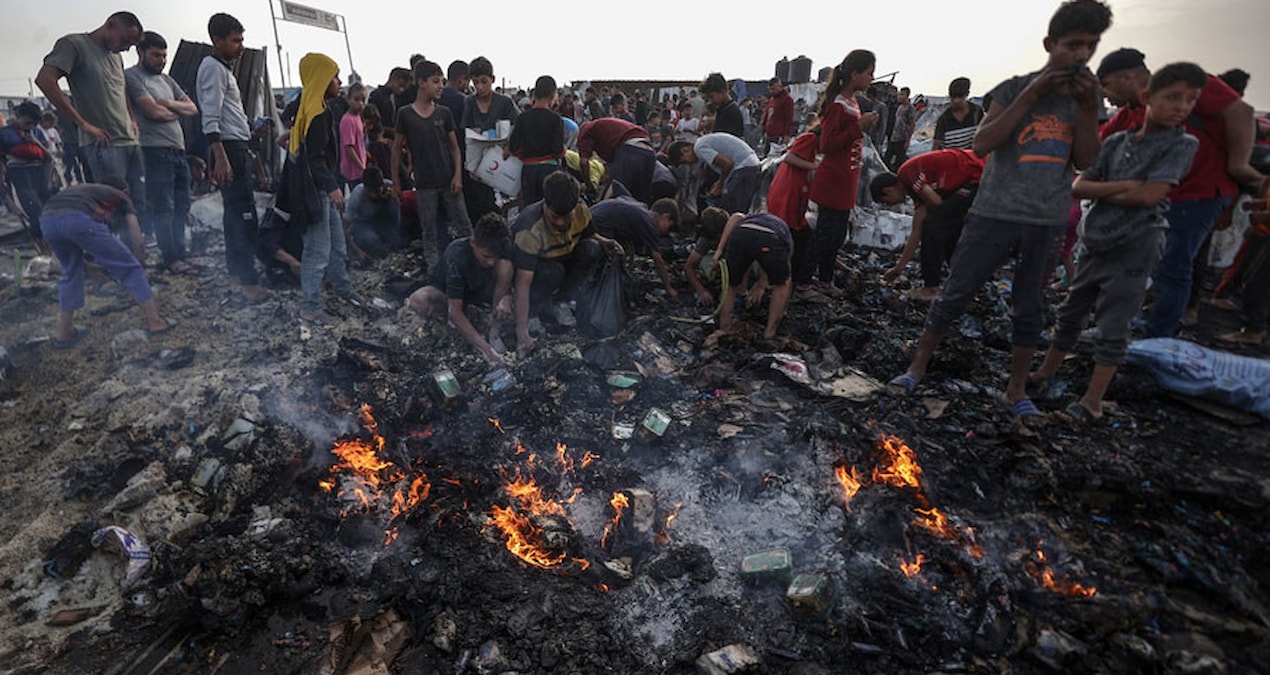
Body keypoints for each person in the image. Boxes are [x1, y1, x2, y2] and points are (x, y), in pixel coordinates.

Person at [887, 0, 1112, 425]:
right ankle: (917, 367)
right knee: (956, 291)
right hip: (993, 213)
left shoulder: (1088, 97)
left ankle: (1015, 389)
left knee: (1030, 305)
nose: (1081, 55)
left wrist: (1084, 110)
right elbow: (983, 143)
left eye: (1090, 46)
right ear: (1050, 44)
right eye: (1073, 45)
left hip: (1045, 219)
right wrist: (1034, 93)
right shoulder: (1013, 89)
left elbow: (1085, 158)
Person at [1028, 63, 1204, 423]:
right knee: (1072, 311)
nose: (1182, 106)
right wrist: (1125, 187)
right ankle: (1044, 374)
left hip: (1136, 244)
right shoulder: (1118, 142)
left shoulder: (1183, 144)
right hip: (1097, 240)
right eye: (1173, 97)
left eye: (1190, 100)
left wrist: (1113, 191)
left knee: (1114, 324)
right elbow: (1079, 186)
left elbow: (1150, 196)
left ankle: (1093, 399)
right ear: (1147, 98)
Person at [1097, 48, 1268, 338]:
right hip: (1165, 200)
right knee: (1154, 264)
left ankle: (1160, 334)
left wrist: (1238, 163)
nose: (1106, 98)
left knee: (1174, 266)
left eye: (1107, 88)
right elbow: (1096, 152)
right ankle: (1151, 320)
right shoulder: (1129, 114)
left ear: (1126, 77)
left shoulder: (1182, 84)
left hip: (1200, 192)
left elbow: (1241, 111)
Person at [35, 12, 146, 227]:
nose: (126, 48)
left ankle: (136, 251)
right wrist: (83, 124)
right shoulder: (74, 45)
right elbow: (45, 79)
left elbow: (121, 90)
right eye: (125, 41)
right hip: (104, 144)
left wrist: (132, 120)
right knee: (111, 208)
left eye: (131, 45)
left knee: (138, 203)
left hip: (129, 141)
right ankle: (111, 255)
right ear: (110, 25)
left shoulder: (116, 56)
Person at [40, 176, 176, 349]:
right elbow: (137, 240)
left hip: (47, 221)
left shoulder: (83, 192)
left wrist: (89, 267)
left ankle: (64, 334)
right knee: (131, 268)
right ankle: (155, 322)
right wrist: (139, 261)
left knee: (70, 273)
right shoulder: (121, 195)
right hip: (77, 219)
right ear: (124, 191)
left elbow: (66, 229)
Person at [510, 171, 622, 355]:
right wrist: (521, 331)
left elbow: (589, 234)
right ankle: (533, 313)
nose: (561, 222)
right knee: (553, 271)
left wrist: (604, 241)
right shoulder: (529, 229)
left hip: (566, 258)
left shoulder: (580, 209)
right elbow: (522, 283)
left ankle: (560, 302)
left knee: (592, 249)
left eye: (566, 216)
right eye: (555, 217)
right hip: (541, 270)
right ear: (545, 203)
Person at [196, 13, 266, 302]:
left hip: (235, 145)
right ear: (217, 40)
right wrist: (221, 156)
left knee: (234, 214)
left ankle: (237, 273)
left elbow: (227, 114)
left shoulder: (223, 69)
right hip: (228, 149)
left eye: (242, 40)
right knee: (243, 214)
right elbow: (210, 116)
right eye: (235, 40)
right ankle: (248, 282)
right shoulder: (213, 68)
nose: (240, 46)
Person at [291, 53, 360, 324]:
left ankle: (342, 288)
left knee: (337, 245)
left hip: (321, 190)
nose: (340, 82)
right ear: (322, 79)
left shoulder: (317, 107)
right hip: (317, 192)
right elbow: (315, 158)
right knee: (317, 250)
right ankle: (310, 307)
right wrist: (332, 188)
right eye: (334, 76)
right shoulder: (317, 113)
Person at [125, 31, 197, 274]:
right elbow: (151, 113)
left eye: (164, 56)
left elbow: (192, 108)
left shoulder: (167, 81)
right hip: (154, 152)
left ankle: (180, 254)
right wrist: (174, 111)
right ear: (141, 52)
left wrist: (167, 104)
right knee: (163, 207)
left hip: (178, 152)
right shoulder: (133, 77)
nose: (161, 60)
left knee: (182, 205)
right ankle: (170, 258)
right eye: (156, 55)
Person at [872, 149, 986, 300]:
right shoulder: (916, 192)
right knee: (950, 235)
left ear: (888, 191)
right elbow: (916, 231)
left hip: (977, 174)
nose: (890, 205)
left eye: (886, 202)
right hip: (971, 179)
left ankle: (931, 288)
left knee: (933, 227)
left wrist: (930, 213)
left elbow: (935, 202)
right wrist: (899, 268)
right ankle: (966, 282)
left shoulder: (906, 173)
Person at [809, 50, 879, 296]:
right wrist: (858, 127)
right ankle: (818, 281)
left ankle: (824, 273)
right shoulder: (839, 104)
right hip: (834, 181)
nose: (872, 77)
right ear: (854, 74)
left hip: (845, 179)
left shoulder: (851, 102)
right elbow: (827, 145)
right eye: (869, 72)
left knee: (836, 234)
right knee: (828, 234)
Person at [407, 213, 515, 364]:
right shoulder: (457, 255)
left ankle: (494, 333)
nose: (491, 262)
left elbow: (513, 285)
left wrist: (506, 298)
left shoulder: (503, 248)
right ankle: (452, 326)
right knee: (419, 300)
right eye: (486, 256)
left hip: (479, 293)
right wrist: (486, 350)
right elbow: (455, 312)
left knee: (505, 267)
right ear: (473, 243)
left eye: (495, 257)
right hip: (448, 296)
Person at [394, 60, 472, 267]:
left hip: (448, 181)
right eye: (435, 81)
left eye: (442, 81)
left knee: (464, 227)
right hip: (424, 185)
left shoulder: (443, 113)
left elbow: (455, 147)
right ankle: (434, 273)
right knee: (429, 232)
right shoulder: (405, 114)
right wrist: (396, 182)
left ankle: (471, 266)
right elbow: (396, 149)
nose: (440, 86)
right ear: (421, 83)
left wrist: (457, 176)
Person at [691, 206, 794, 338]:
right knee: (783, 284)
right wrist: (762, 287)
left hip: (741, 234)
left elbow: (736, 217)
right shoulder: (785, 237)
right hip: (771, 238)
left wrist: (719, 251)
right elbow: (775, 269)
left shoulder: (751, 217)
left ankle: (724, 329)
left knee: (730, 285)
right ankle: (769, 333)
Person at [766, 124, 821, 299]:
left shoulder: (812, 143)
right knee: (791, 234)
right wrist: (814, 166)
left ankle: (789, 278)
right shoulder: (810, 138)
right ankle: (787, 279)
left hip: (795, 193)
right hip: (788, 192)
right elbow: (789, 158)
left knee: (797, 235)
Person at [462, 56, 519, 222]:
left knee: (505, 206)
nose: (480, 87)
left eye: (483, 81)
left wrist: (509, 147)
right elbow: (469, 137)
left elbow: (518, 127)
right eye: (475, 82)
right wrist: (472, 166)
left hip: (504, 160)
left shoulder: (505, 102)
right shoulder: (469, 103)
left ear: (492, 80)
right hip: (480, 165)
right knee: (481, 209)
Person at [589, 195, 680, 298]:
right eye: (669, 227)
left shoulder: (642, 208)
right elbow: (658, 261)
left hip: (592, 215)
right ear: (666, 216)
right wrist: (669, 288)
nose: (667, 232)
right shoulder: (650, 224)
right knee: (605, 264)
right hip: (598, 224)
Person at [667, 132, 762, 215]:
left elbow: (727, 164)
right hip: (749, 163)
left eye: (684, 162)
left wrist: (719, 185)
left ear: (685, 150)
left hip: (744, 166)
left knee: (733, 209)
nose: (689, 164)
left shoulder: (699, 148)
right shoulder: (702, 142)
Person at [2, 102, 53, 248]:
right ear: (18, 116)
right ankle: (43, 247)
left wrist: (48, 181)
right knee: (35, 212)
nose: (30, 127)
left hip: (40, 173)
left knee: (49, 211)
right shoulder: (5, 134)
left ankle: (51, 244)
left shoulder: (37, 133)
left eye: (34, 124)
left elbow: (48, 157)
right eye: (27, 122)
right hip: (21, 175)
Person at [509, 75, 566, 206]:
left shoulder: (523, 118)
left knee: (530, 210)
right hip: (550, 171)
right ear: (553, 95)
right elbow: (558, 151)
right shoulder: (556, 119)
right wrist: (563, 150)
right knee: (550, 208)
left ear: (535, 94)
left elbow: (514, 147)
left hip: (529, 170)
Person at [576, 117, 656, 204]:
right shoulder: (605, 128)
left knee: (610, 198)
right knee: (640, 201)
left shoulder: (586, 131)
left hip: (631, 149)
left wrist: (589, 186)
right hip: (649, 152)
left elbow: (583, 163)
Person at [344, 165, 403, 258]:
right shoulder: (357, 195)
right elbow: (344, 228)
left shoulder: (388, 186)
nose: (376, 195)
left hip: (379, 221)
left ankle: (389, 238)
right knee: (371, 240)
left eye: (378, 191)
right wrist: (358, 251)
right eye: (373, 192)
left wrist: (394, 199)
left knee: (397, 242)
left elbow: (400, 207)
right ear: (366, 188)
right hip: (361, 223)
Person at [932, 77, 984, 151]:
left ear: (967, 94)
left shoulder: (976, 112)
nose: (956, 101)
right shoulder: (944, 119)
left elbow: (984, 136)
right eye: (953, 97)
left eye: (960, 97)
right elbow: (936, 146)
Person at [368, 67, 412, 137]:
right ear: (392, 80)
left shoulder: (397, 98)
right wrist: (390, 130)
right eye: (400, 86)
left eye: (404, 88)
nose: (402, 90)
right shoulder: (376, 95)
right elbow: (372, 122)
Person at [340, 82, 368, 190]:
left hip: (360, 167)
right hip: (353, 170)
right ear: (348, 99)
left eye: (363, 100)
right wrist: (362, 168)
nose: (360, 104)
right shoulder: (348, 120)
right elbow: (349, 148)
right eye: (356, 100)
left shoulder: (358, 118)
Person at [701, 73, 744, 139]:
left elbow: (732, 142)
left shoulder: (732, 112)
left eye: (712, 96)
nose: (710, 101)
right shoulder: (722, 109)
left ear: (723, 92)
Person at [884, 87, 917, 170]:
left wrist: (908, 141)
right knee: (887, 158)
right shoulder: (899, 107)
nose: (899, 97)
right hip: (894, 137)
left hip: (902, 138)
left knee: (899, 161)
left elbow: (912, 124)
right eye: (899, 94)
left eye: (902, 95)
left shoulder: (910, 108)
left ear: (907, 96)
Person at [762, 78, 795, 155]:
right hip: (769, 135)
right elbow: (767, 115)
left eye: (773, 89)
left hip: (778, 136)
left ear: (780, 87)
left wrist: (786, 136)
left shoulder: (787, 99)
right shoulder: (772, 99)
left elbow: (789, 118)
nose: (771, 91)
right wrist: (764, 128)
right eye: (770, 89)